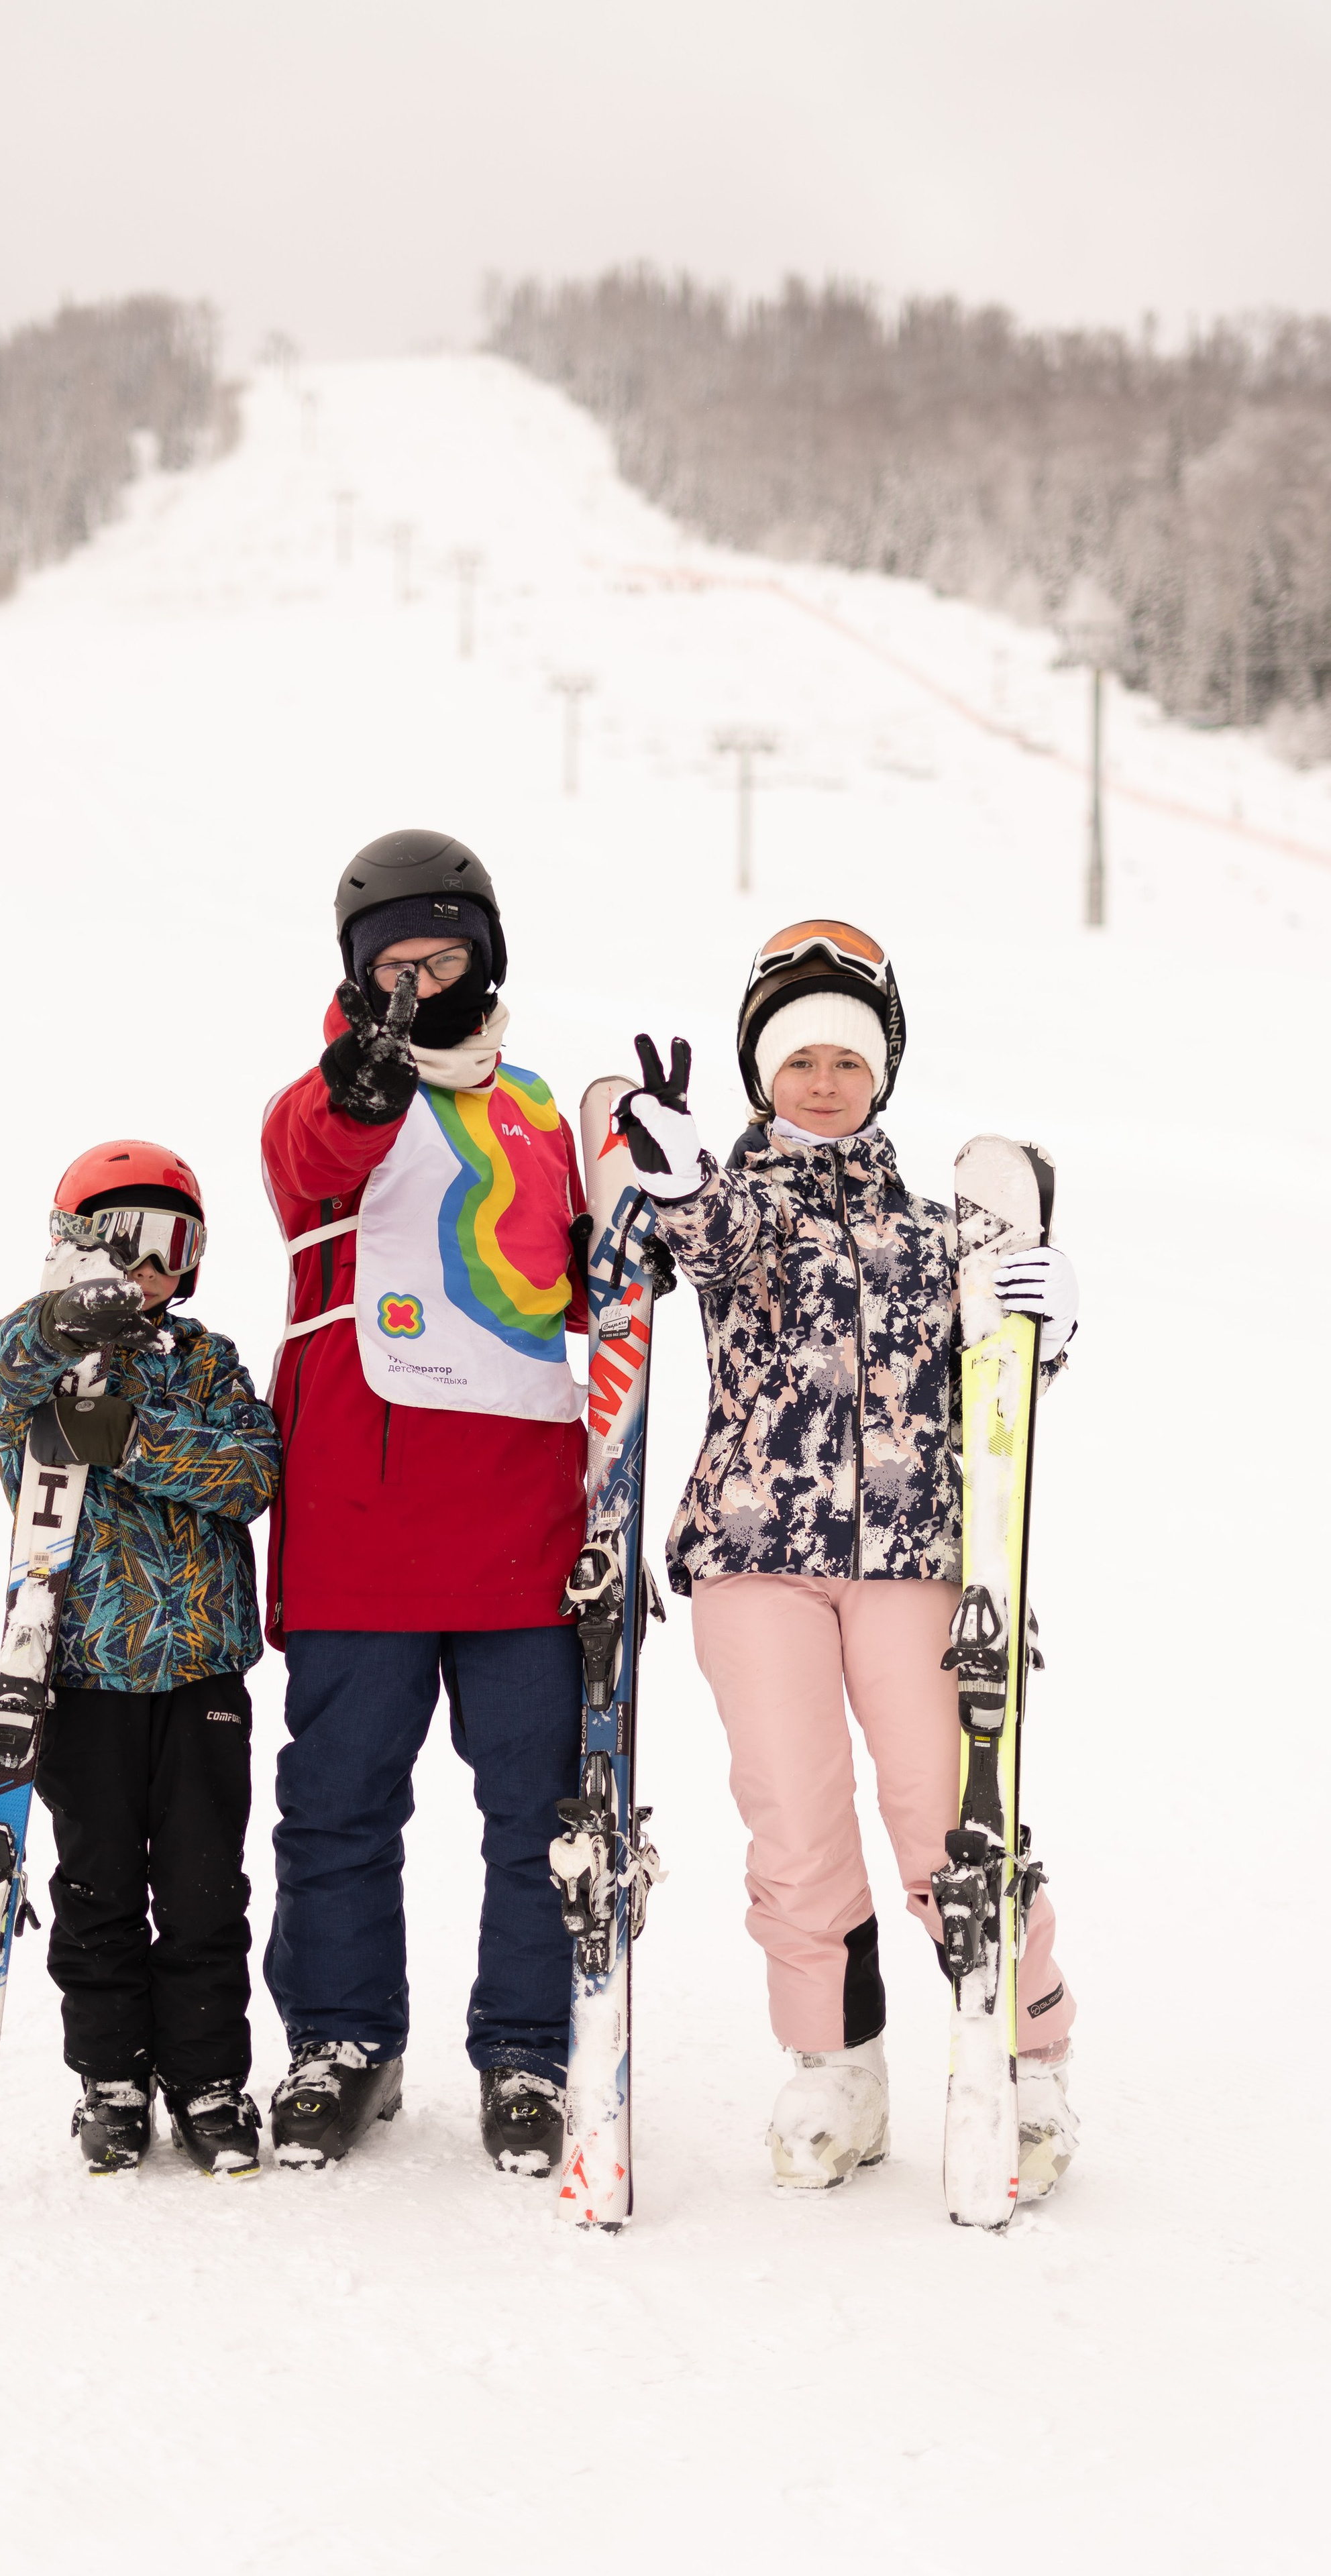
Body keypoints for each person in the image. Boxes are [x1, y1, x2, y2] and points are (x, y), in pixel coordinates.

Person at [619, 920, 1081, 2196]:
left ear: (882, 1074)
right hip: (752, 1557)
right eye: (799, 1059)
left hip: (914, 1558)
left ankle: (1027, 2054)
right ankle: (836, 2068)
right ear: (761, 1073)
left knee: (950, 1814)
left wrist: (1044, 1330)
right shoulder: (741, 1212)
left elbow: (996, 1395)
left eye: (848, 1059)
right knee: (795, 1819)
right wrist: (677, 1179)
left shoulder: (939, 1234)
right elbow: (708, 1240)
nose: (824, 1081)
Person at [259, 828, 590, 2175]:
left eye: (443, 961)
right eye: (392, 965)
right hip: (363, 1510)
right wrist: (358, 1080)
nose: (418, 986)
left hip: (521, 1515)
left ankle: (527, 2048)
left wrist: (645, 1214)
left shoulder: (542, 1113)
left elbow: (591, 1285)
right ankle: (342, 2041)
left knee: (541, 1809)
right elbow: (311, 1156)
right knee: (339, 1798)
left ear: (485, 961)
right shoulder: (322, 1100)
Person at [0, 1140, 280, 2179]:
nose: (149, 1270)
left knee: (203, 1888)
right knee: (97, 1888)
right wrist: (61, 1322)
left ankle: (208, 2082)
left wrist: (133, 1440)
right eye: (126, 1244)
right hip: (84, 1675)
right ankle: (111, 2081)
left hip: (201, 1676)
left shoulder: (206, 1361)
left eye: (172, 1247)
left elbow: (252, 1473)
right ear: (76, 1245)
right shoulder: (31, 1364)